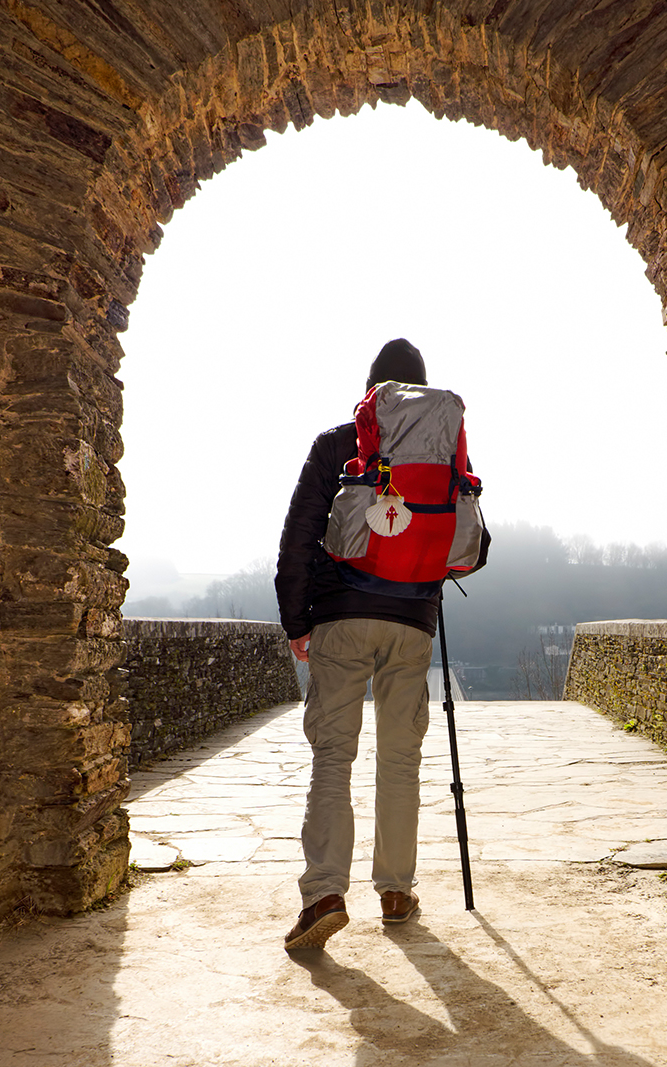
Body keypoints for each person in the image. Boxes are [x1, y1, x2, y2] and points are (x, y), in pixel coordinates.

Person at [275, 338, 488, 950]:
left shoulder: (339, 446)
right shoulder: (444, 447)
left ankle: (323, 896)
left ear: (371, 390)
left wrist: (298, 622)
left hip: (341, 617)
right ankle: (395, 890)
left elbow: (297, 542)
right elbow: (473, 544)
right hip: (412, 622)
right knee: (400, 760)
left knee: (333, 756)